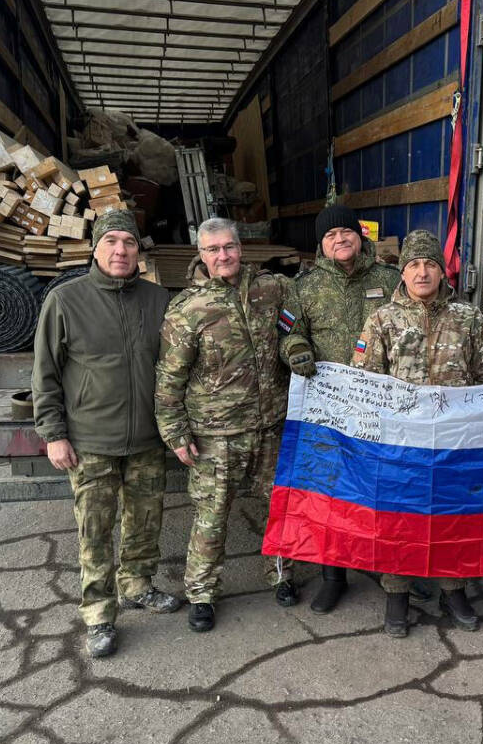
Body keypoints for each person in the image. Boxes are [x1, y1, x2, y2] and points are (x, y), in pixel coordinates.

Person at [32, 210, 182, 659]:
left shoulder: (159, 300)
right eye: (111, 241)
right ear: (94, 249)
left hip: (146, 439)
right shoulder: (65, 300)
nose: (121, 250)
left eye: (129, 243)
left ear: (139, 250)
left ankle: (138, 586)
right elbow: (45, 374)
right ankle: (98, 612)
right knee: (95, 531)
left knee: (144, 523)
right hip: (90, 440)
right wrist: (53, 433)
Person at [352, 230, 483, 637]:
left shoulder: (468, 317)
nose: (422, 272)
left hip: (455, 441)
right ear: (403, 272)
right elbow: (366, 380)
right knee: (399, 520)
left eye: (430, 264)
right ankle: (397, 593)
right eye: (414, 265)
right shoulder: (381, 319)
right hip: (402, 443)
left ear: (441, 270)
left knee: (454, 516)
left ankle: (453, 590)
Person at [154, 218, 296, 633]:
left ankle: (282, 575)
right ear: (201, 255)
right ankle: (201, 593)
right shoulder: (187, 309)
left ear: (241, 247)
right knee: (212, 517)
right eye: (213, 249)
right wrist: (175, 434)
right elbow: (168, 379)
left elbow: (295, 329)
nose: (222, 256)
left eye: (229, 247)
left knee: (279, 507)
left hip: (271, 425)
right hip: (216, 433)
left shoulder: (272, 290)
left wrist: (296, 345)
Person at [278, 204, 401, 614]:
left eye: (346, 232)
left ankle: (391, 575)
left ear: (360, 236)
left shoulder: (389, 279)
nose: (340, 239)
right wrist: (296, 352)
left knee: (382, 488)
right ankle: (334, 576)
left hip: (381, 405)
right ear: (321, 243)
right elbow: (289, 333)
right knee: (331, 493)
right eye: (331, 235)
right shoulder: (306, 285)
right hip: (329, 406)